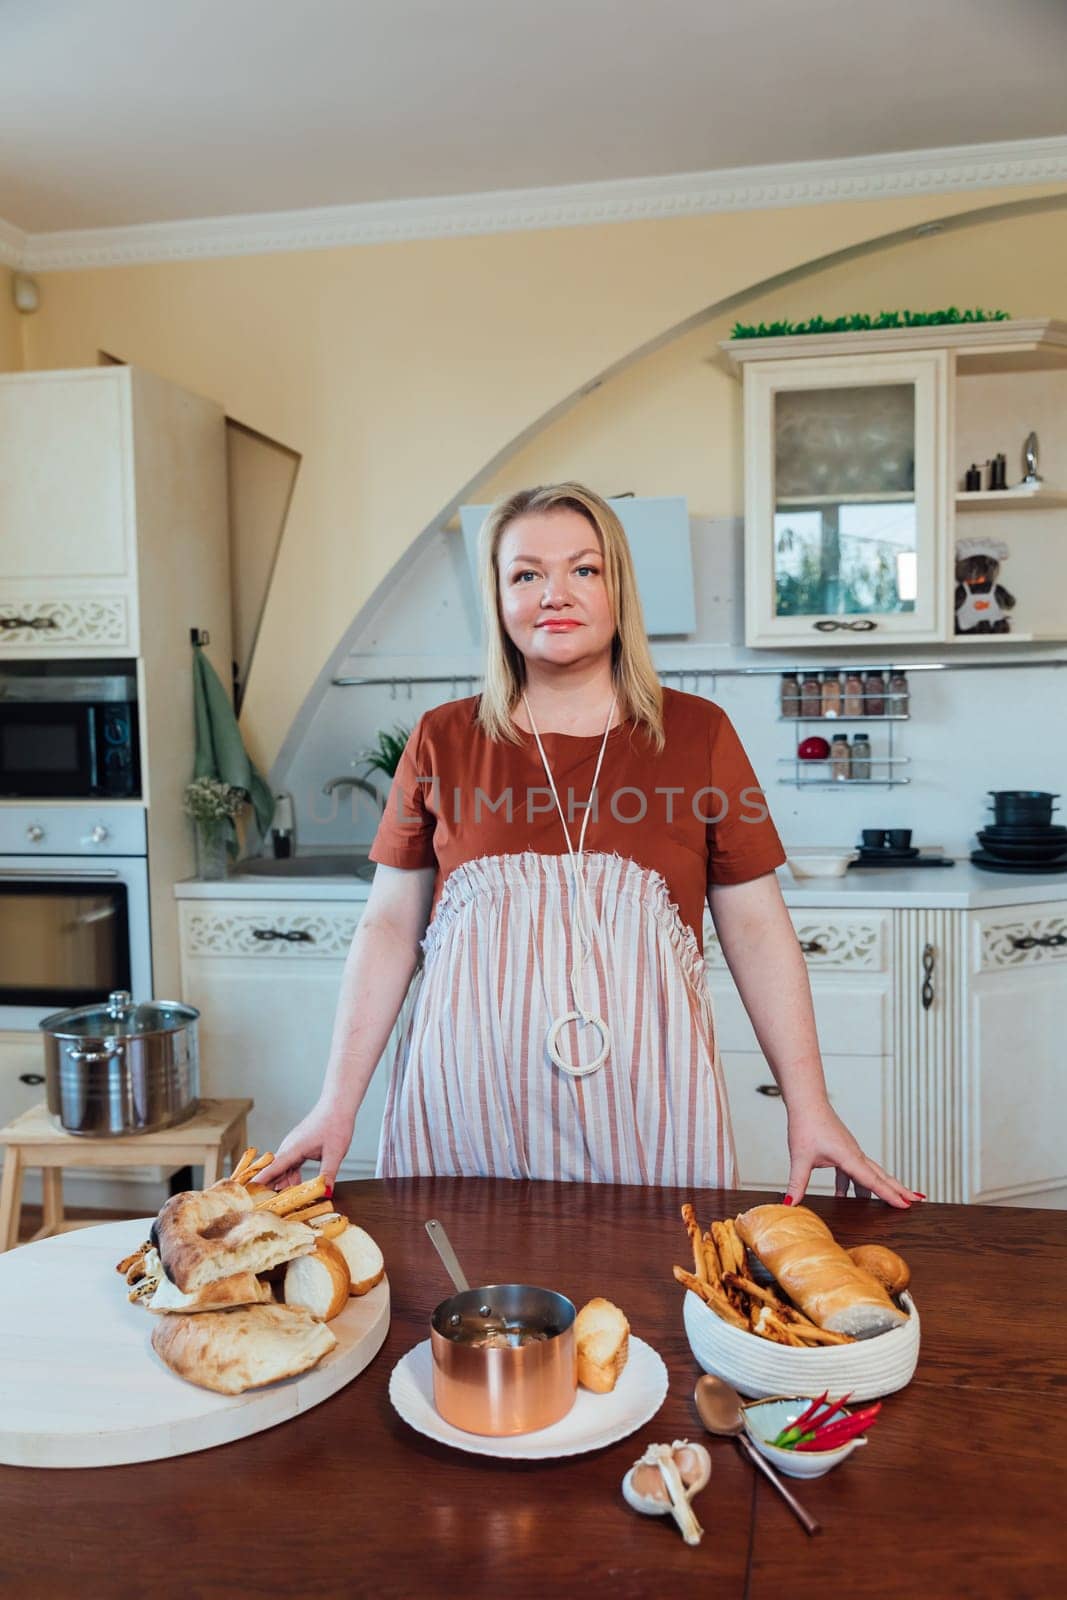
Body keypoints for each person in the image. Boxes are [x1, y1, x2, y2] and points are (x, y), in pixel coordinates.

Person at [259, 483, 922, 1208]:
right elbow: (388, 929)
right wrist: (336, 1103)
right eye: (525, 574)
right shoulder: (441, 739)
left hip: (652, 1106)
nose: (554, 593)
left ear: (618, 589)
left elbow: (758, 931)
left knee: (647, 1307)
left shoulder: (698, 735)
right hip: (462, 1104)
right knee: (455, 1306)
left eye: (584, 569)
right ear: (498, 597)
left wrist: (811, 1105)